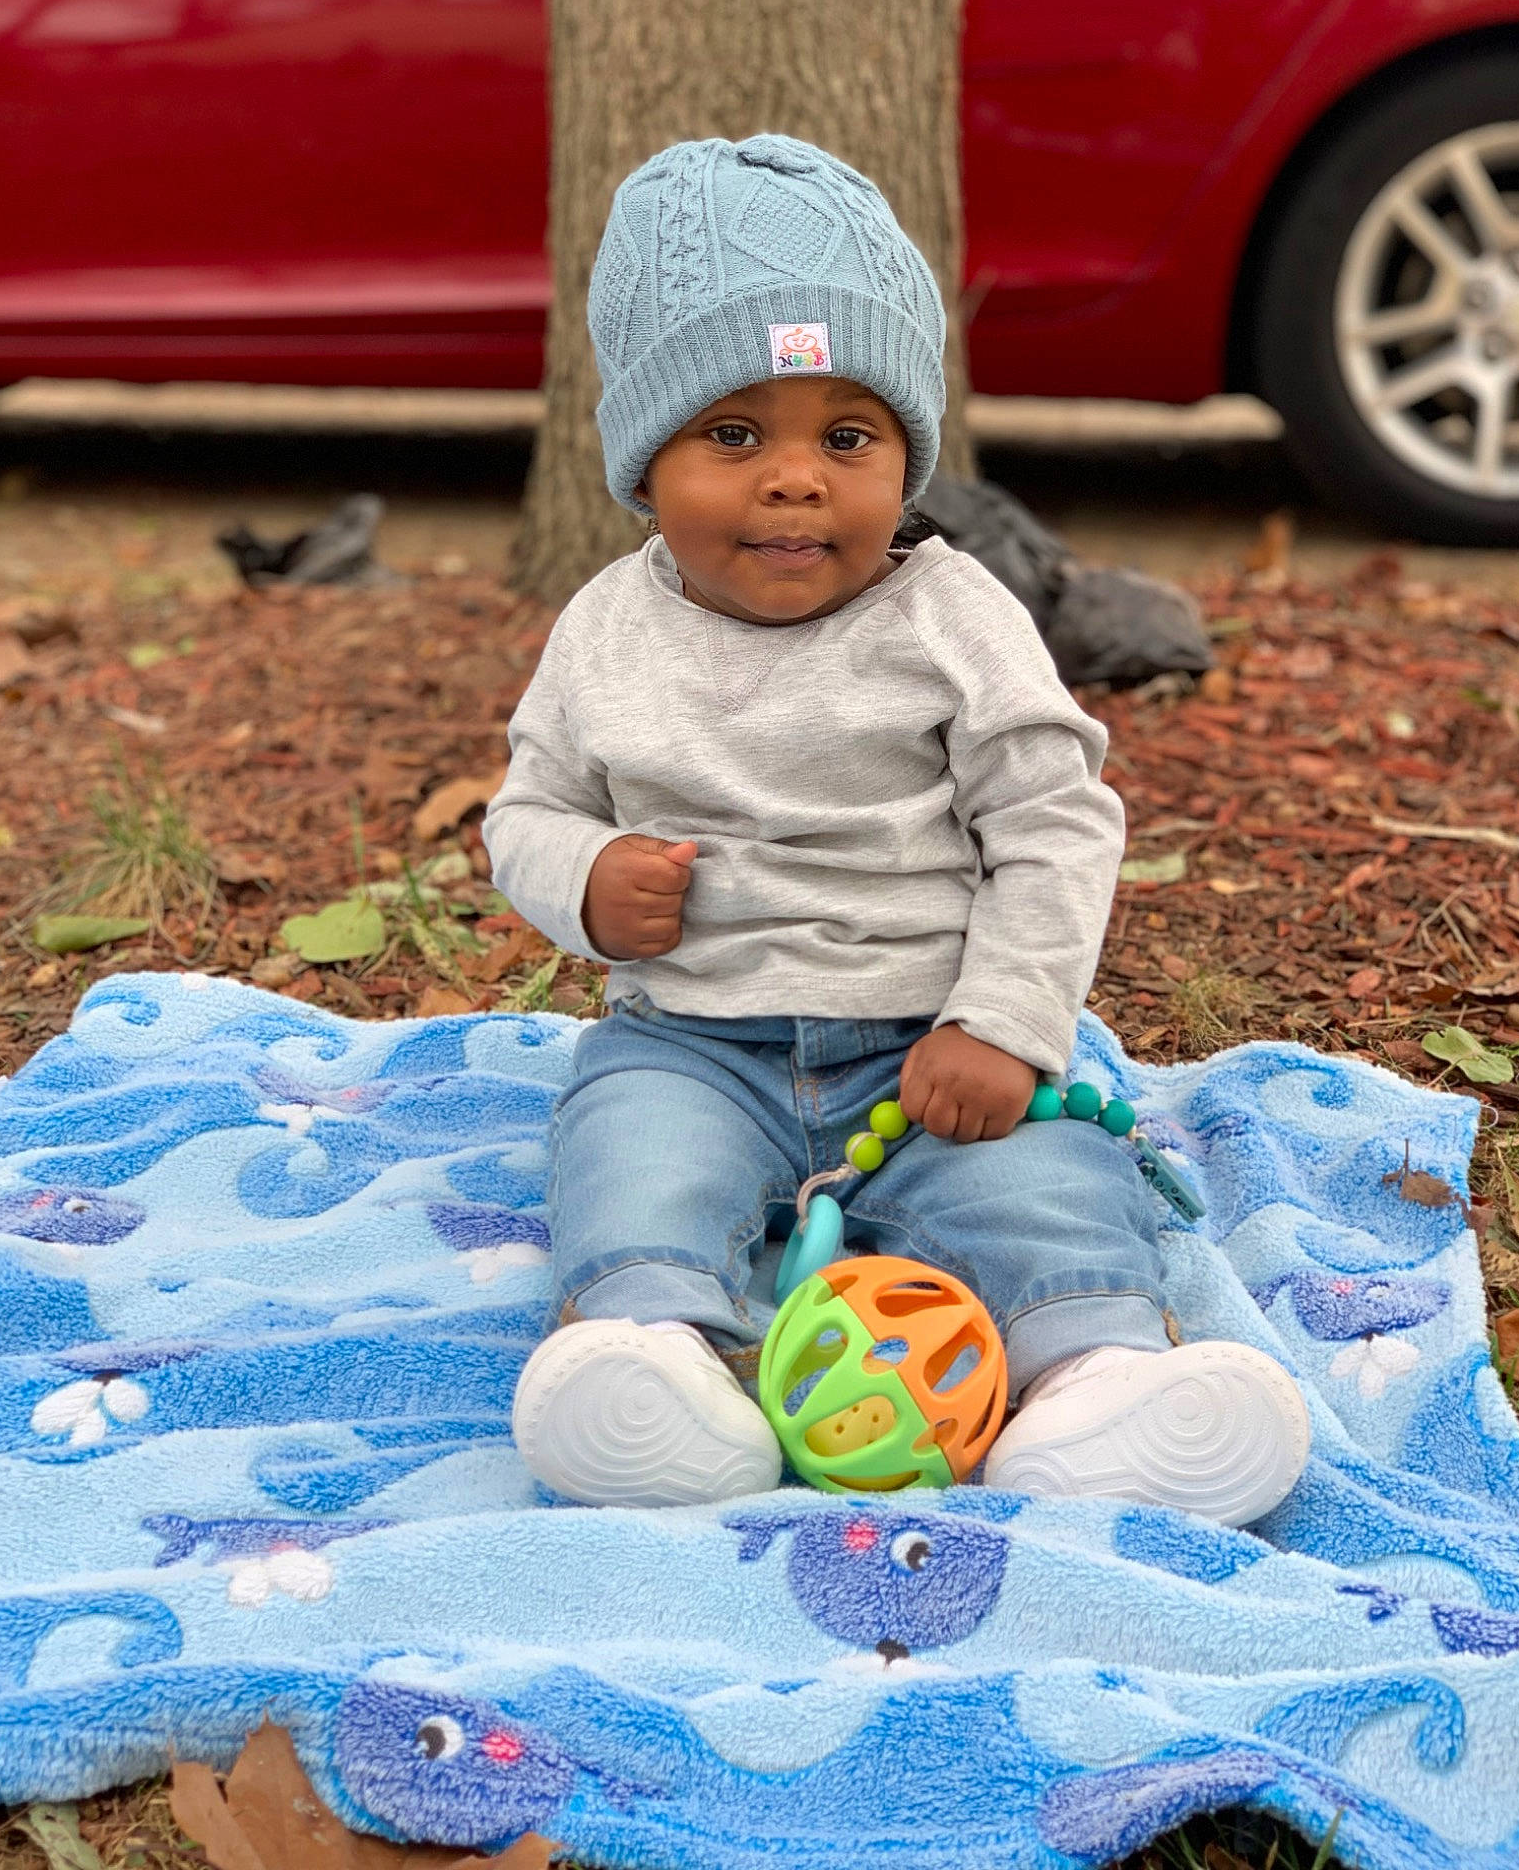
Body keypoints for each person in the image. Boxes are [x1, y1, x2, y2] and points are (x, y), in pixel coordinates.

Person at [485, 133, 1309, 1521]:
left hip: (928, 1043)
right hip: (693, 1040)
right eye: (733, 434)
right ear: (643, 465)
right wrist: (583, 875)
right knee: (629, 1161)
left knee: (1047, 1185)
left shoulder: (954, 618)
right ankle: (654, 1365)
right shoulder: (606, 633)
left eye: (847, 438)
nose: (795, 479)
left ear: (907, 459)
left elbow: (1055, 820)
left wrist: (1003, 1021)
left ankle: (1097, 1382)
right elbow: (529, 811)